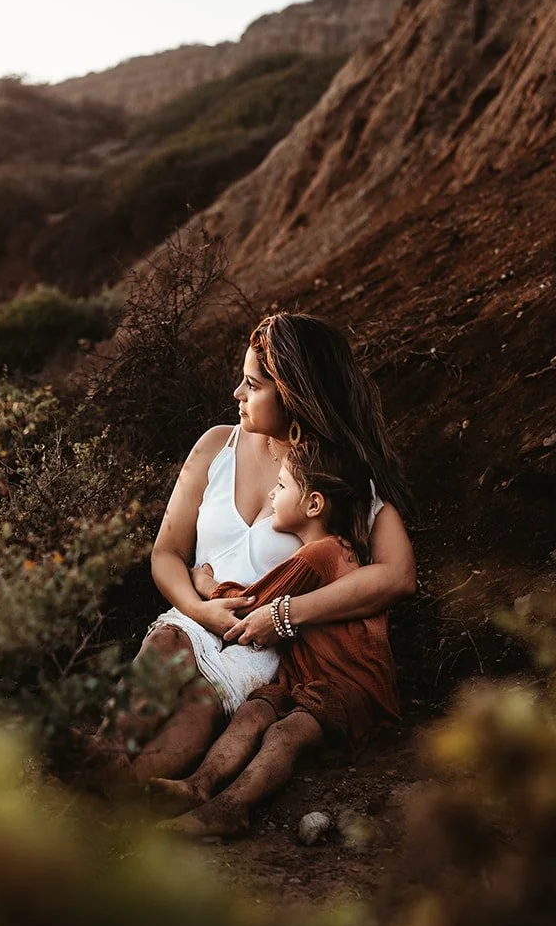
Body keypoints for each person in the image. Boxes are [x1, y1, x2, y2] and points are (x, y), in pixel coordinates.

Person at [105, 312, 415, 785]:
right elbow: (166, 553)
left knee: (203, 701)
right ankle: (104, 754)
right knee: (165, 642)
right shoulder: (215, 446)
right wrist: (198, 608)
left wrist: (285, 614)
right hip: (196, 615)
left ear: (293, 394)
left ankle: (126, 792)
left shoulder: (332, 477)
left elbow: (398, 576)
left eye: (252, 385)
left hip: (266, 646)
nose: (237, 394)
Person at [151, 451, 400, 838]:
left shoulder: (319, 555)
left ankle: (232, 807)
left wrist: (206, 586)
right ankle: (198, 785)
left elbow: (254, 602)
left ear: (313, 505)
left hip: (349, 685)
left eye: (281, 486)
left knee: (286, 733)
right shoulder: (322, 551)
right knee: (252, 712)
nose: (271, 494)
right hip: (305, 677)